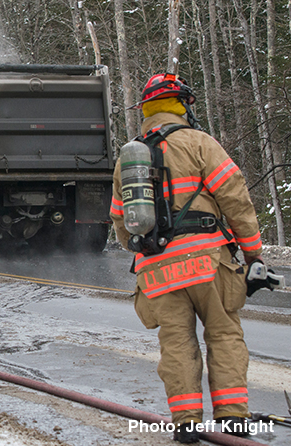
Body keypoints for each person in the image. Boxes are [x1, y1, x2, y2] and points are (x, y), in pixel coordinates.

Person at [110, 73, 263, 443]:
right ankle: (231, 419)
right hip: (209, 261)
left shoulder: (128, 160)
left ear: (145, 109)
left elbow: (120, 225)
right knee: (224, 334)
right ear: (181, 105)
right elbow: (235, 199)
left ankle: (186, 422)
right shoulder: (199, 143)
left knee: (176, 342)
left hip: (157, 270)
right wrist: (253, 252)